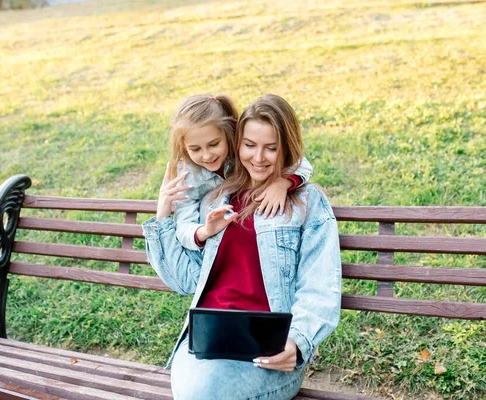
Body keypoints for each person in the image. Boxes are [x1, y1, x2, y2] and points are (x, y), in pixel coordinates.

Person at [143, 94, 342, 400]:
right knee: (200, 391)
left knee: (205, 394)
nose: (259, 157)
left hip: (269, 349)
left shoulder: (307, 202)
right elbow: (184, 281)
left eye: (271, 148)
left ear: (286, 147)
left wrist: (297, 342)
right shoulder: (214, 199)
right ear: (236, 144)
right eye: (249, 145)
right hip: (208, 342)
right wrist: (163, 216)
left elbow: (320, 286)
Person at [167, 93, 314, 251]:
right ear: (183, 147)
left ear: (229, 134)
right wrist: (204, 231)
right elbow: (183, 225)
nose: (207, 155)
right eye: (195, 149)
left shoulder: (241, 152)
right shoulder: (187, 177)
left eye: (214, 144)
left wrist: (282, 183)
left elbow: (299, 162)